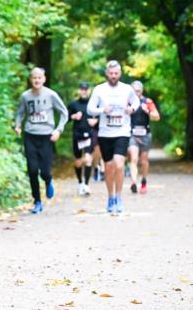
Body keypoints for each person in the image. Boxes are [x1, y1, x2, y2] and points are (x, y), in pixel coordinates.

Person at [87, 60, 140, 215]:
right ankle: (111, 197)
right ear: (106, 73)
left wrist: (131, 108)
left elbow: (135, 101)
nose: (113, 76)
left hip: (122, 132)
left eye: (116, 73)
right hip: (105, 133)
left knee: (119, 164)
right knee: (109, 167)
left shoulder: (126, 89)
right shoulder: (99, 89)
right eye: (111, 73)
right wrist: (103, 109)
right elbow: (90, 108)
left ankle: (119, 197)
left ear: (120, 73)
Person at [13, 67, 68, 214]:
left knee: (44, 171)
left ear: (44, 79)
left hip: (46, 136)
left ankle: (48, 180)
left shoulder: (51, 95)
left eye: (39, 77)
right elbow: (20, 113)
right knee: (32, 170)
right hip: (30, 135)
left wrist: (58, 130)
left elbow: (64, 113)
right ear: (30, 80)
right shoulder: (25, 96)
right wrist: (17, 125)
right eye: (34, 78)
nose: (37, 80)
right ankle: (37, 201)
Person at [127, 80, 160, 194]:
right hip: (132, 134)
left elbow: (157, 117)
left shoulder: (147, 101)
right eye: (134, 91)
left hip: (145, 134)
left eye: (138, 91)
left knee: (144, 160)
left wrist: (148, 112)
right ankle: (133, 182)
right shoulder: (128, 102)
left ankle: (144, 181)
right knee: (134, 158)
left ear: (141, 91)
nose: (136, 93)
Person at [67, 81, 99, 195]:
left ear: (89, 91)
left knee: (88, 159)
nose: (84, 91)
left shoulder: (93, 104)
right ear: (79, 91)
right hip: (77, 136)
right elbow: (65, 118)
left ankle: (86, 185)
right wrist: (73, 116)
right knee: (78, 161)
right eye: (82, 89)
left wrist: (96, 121)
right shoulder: (73, 104)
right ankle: (80, 183)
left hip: (89, 135)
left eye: (86, 89)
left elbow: (101, 117)